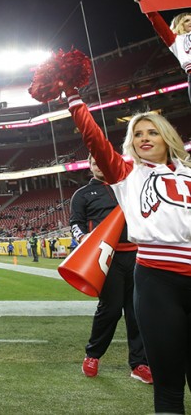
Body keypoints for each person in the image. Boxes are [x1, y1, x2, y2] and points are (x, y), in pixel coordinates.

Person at [65, 85, 191, 413]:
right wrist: (75, 100)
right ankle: (99, 355)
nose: (144, 138)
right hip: (156, 279)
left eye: (152, 132)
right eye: (137, 134)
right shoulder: (127, 176)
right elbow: (95, 140)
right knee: (169, 385)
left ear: (168, 137)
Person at [70, 155, 151, 383]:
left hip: (138, 256)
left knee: (137, 312)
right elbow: (75, 223)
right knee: (111, 309)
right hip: (107, 258)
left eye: (103, 162)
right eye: (96, 163)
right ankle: (93, 355)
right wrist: (83, 237)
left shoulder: (130, 188)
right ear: (90, 167)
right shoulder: (82, 194)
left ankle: (139, 364)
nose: (100, 166)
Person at [134, 0, 191, 103]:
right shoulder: (175, 40)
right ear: (179, 24)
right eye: (187, 20)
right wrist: (145, 5)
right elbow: (158, 24)